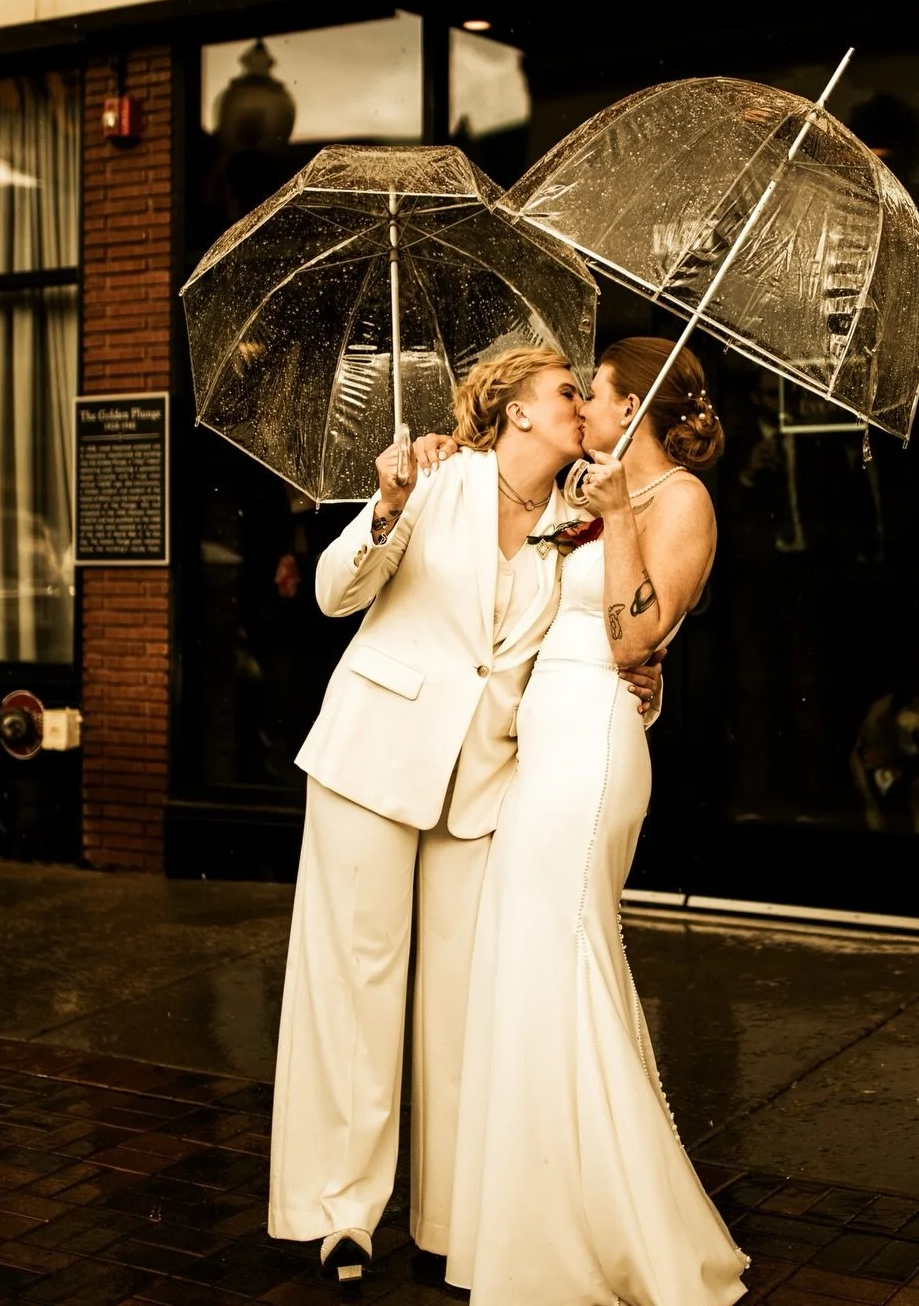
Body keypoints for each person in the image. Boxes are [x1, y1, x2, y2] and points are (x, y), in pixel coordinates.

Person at [267, 345, 660, 1285]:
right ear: (516, 412)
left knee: (458, 1010)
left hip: (482, 788)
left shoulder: (581, 521)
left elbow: (595, 642)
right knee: (355, 989)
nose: (582, 408)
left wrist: (642, 682)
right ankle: (338, 1213)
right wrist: (390, 505)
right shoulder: (437, 480)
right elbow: (333, 594)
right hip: (373, 754)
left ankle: (450, 1220)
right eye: (567, 393)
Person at [445, 335, 750, 1306]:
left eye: (600, 393)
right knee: (530, 959)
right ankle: (539, 1220)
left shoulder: (681, 503)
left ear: (636, 406)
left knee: (571, 950)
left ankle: (620, 1225)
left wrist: (619, 519)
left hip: (594, 746)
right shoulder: (588, 496)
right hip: (545, 740)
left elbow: (634, 633)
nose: (587, 409)